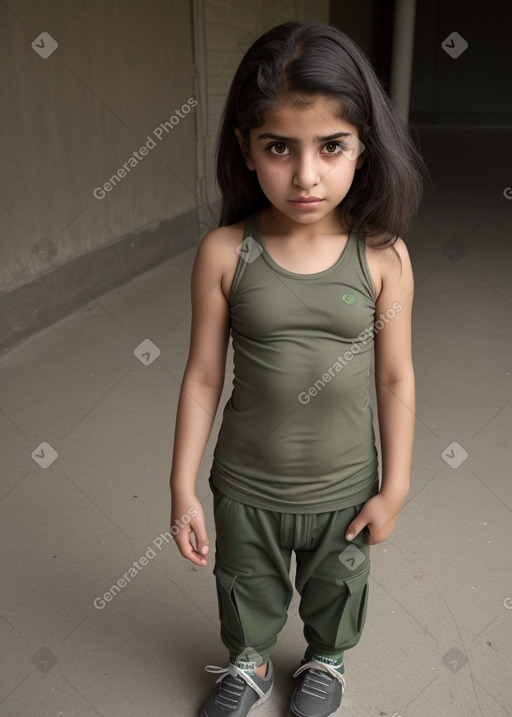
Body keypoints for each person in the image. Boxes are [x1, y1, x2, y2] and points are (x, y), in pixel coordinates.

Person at [169, 21, 424, 717]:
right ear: (246, 150)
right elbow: (200, 376)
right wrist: (182, 484)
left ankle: (326, 658)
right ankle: (248, 662)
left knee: (335, 586)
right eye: (279, 147)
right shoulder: (224, 252)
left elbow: (395, 376)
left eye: (331, 146)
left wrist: (394, 484)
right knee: (244, 582)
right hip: (245, 482)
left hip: (344, 485)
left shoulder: (383, 257)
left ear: (364, 146)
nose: (305, 175)